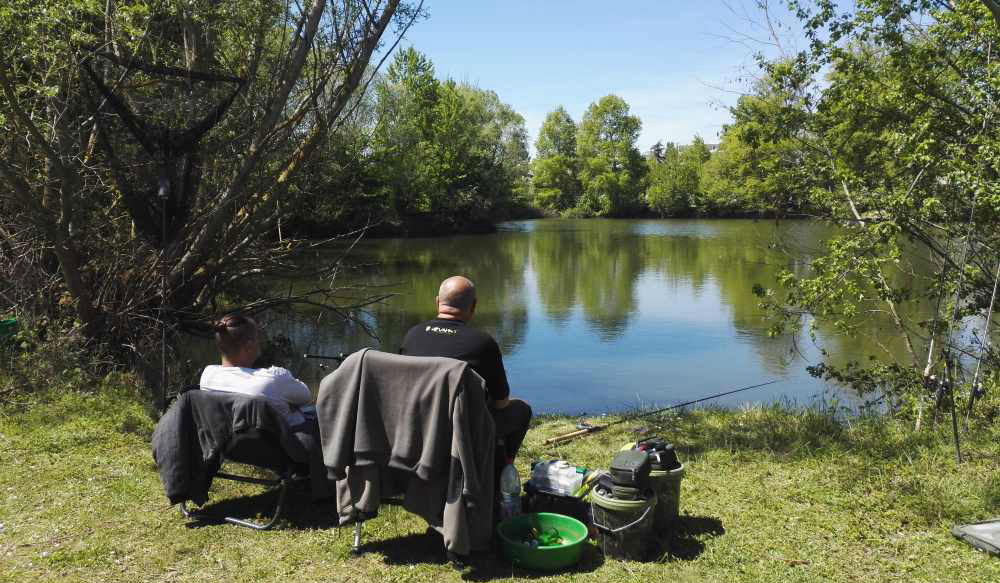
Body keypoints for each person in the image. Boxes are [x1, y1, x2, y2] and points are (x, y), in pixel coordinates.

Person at [400, 275, 532, 463]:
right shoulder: (483, 343)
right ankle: (503, 471)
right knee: (521, 410)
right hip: (462, 433)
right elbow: (501, 403)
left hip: (415, 426)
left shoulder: (412, 335)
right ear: (474, 306)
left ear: (437, 302)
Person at [200, 313, 313, 428]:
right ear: (249, 346)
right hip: (288, 440)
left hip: (229, 441)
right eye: (257, 339)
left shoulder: (207, 376)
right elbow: (306, 397)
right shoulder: (274, 378)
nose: (259, 344)